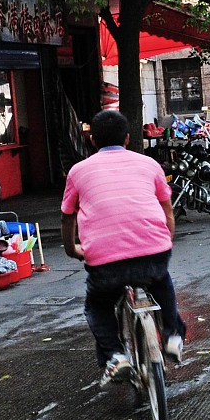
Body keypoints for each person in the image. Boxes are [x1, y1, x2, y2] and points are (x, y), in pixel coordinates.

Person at [61, 109, 187, 383]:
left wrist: (72, 249)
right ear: (128, 139)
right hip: (154, 250)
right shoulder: (149, 165)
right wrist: (165, 240)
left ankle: (116, 357)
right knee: (161, 281)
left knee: (98, 305)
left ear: (92, 140)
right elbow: (167, 211)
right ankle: (173, 335)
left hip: (105, 260)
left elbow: (67, 216)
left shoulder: (78, 171)